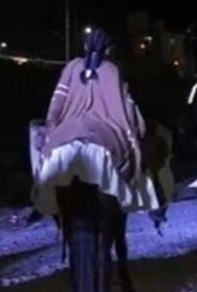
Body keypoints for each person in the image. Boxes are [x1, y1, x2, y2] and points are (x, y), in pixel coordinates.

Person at [31, 28, 162, 215]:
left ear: (85, 46)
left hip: (67, 131)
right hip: (106, 132)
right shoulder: (112, 70)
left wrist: (51, 127)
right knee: (138, 150)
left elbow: (56, 102)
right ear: (108, 50)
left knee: (39, 144)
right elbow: (123, 107)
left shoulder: (72, 66)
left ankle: (40, 201)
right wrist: (132, 131)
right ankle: (149, 204)